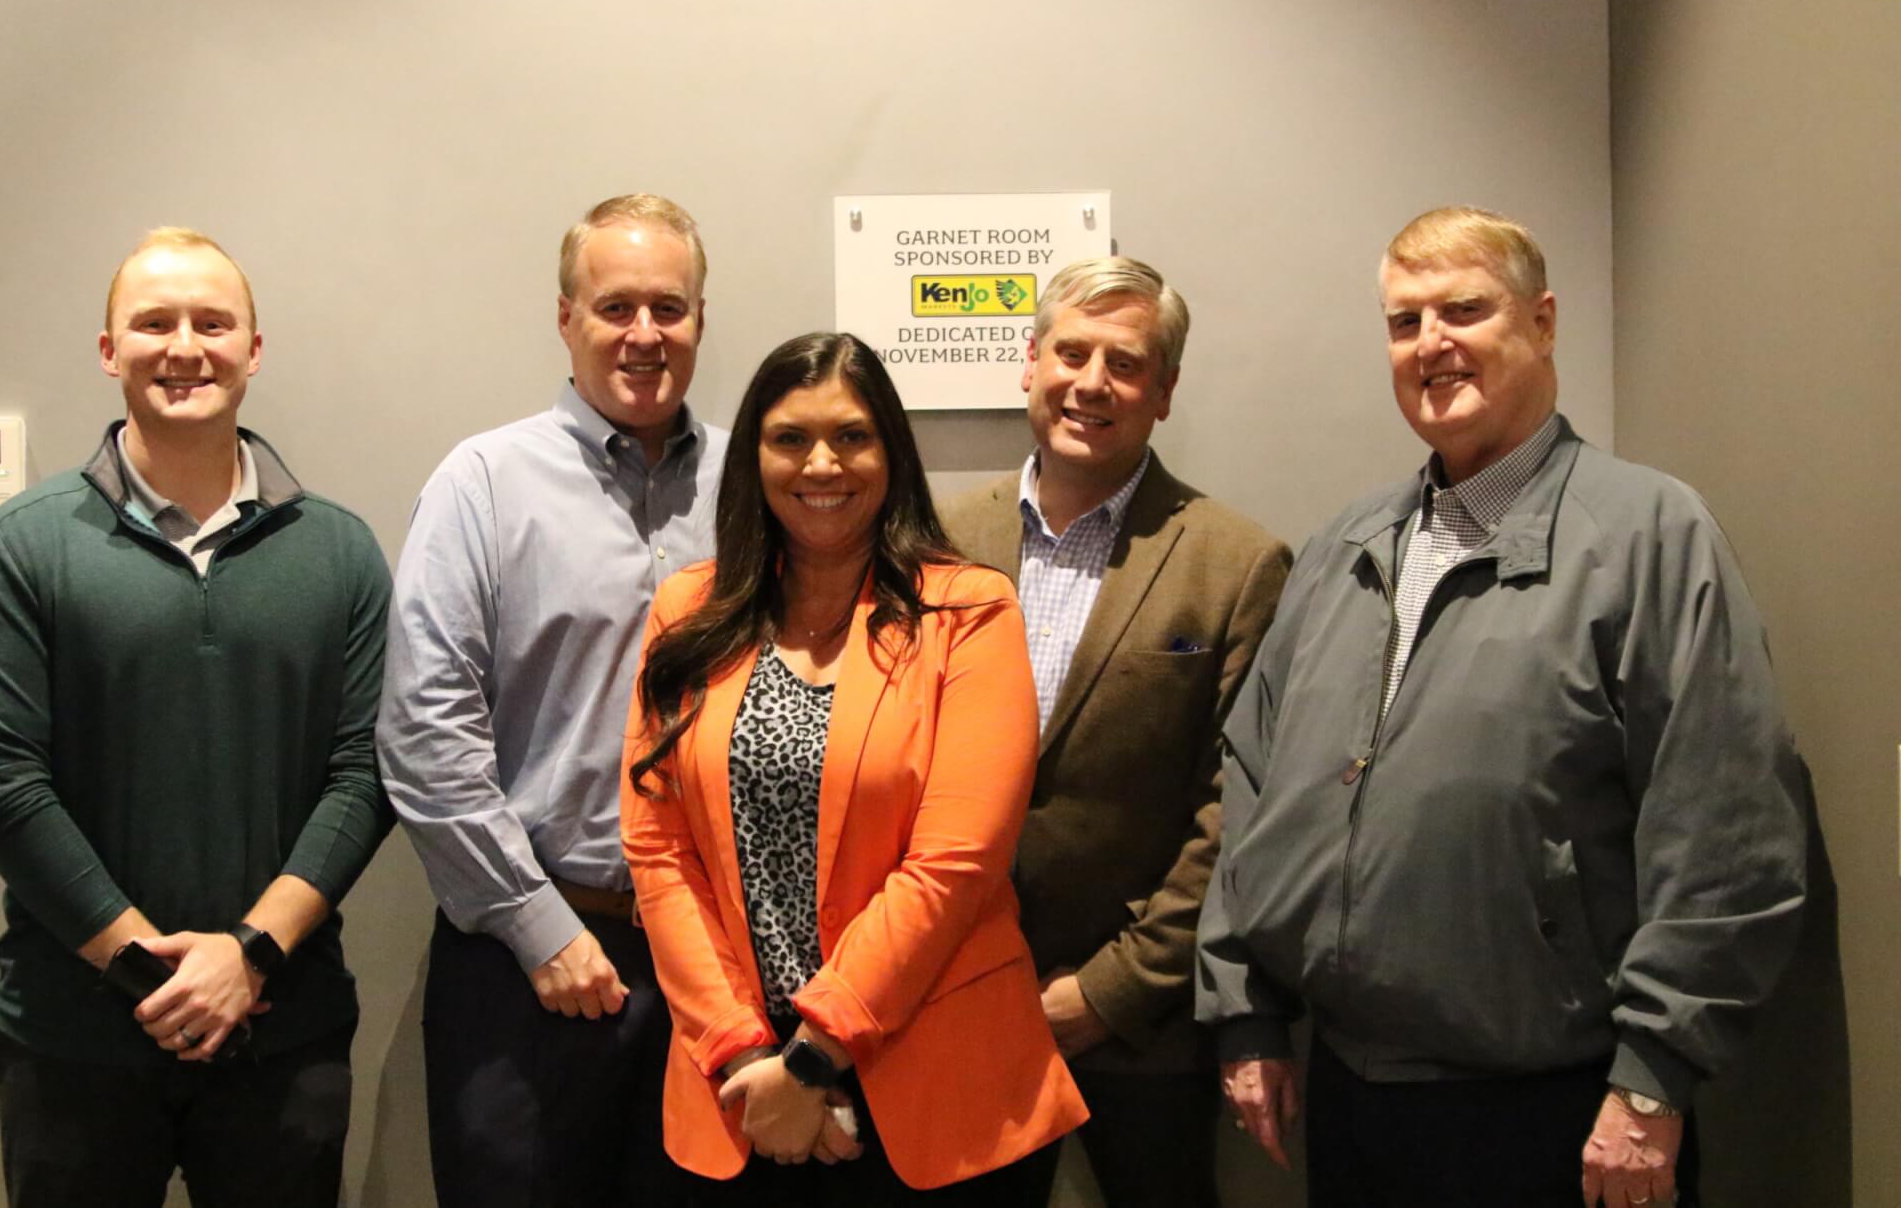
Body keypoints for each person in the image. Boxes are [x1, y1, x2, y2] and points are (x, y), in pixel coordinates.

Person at [1195, 206, 1808, 1208]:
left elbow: (1723, 818)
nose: (1430, 344)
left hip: (1561, 1112)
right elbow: (1253, 783)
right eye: (1403, 322)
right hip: (1352, 1102)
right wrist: (1246, 1012)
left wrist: (1652, 1081)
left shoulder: (1646, 534)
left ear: (1543, 320)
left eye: (1462, 310)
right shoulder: (1344, 548)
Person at [0, 227, 394, 1207]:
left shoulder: (341, 553)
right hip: (73, 1036)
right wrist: (150, 966)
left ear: (253, 348)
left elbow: (365, 773)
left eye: (212, 322)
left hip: (286, 1026)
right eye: (153, 322)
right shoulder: (24, 546)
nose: (184, 346)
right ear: (109, 350)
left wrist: (251, 954)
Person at [621, 332, 1087, 1203]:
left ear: (892, 453)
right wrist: (750, 1058)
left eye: (853, 436)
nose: (822, 463)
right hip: (740, 1098)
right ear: (754, 455)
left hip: (940, 1098)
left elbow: (956, 865)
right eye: (790, 438)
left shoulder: (969, 611)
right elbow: (658, 853)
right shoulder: (689, 610)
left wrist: (812, 1058)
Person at [377, 193, 726, 1206]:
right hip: (522, 967)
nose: (644, 333)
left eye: (670, 306)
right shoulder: (482, 483)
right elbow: (423, 734)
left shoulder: (753, 484)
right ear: (565, 317)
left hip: (708, 973)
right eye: (615, 306)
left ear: (701, 317)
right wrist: (540, 928)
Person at [943, 256, 1291, 1205]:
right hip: (955, 1005)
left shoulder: (1238, 562)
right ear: (1029, 361)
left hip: (1142, 1027)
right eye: (1072, 351)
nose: (1092, 382)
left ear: (1165, 392)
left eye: (1127, 364)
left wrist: (1111, 991)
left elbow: (1237, 812)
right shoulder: (934, 539)